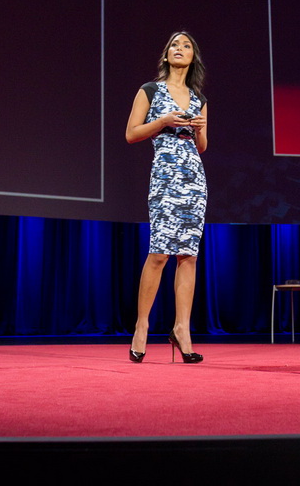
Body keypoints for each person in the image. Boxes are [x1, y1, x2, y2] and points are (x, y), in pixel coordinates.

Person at [126, 32, 208, 363]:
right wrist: (162, 121)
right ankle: (142, 326)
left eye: (186, 45)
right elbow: (131, 134)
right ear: (166, 55)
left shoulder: (199, 98)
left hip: (194, 181)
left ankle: (182, 330)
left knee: (188, 255)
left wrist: (199, 128)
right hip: (164, 178)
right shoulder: (150, 90)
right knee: (159, 253)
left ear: (193, 58)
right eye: (175, 44)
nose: (180, 49)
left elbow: (202, 147)